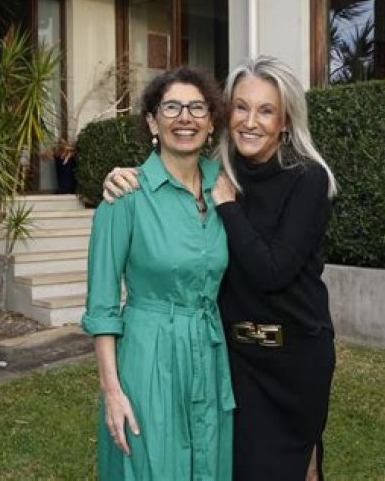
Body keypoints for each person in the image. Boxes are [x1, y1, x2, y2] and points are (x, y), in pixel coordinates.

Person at [103, 55, 338, 480]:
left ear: (285, 121)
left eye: (266, 111)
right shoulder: (216, 173)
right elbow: (170, 176)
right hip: (235, 360)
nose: (250, 121)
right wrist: (123, 176)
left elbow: (272, 271)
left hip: (294, 358)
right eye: (241, 107)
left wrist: (228, 207)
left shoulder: (307, 179)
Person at [82, 66, 235, 480]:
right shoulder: (125, 197)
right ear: (152, 122)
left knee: (209, 463)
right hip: (149, 359)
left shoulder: (225, 189)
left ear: (211, 121)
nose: (185, 118)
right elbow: (102, 307)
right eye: (171, 108)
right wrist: (112, 391)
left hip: (210, 355)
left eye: (197, 108)